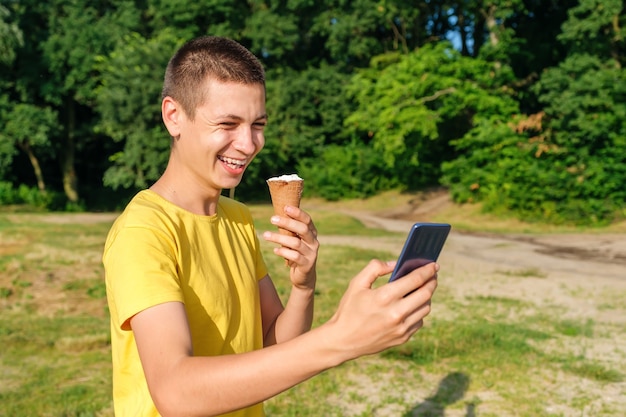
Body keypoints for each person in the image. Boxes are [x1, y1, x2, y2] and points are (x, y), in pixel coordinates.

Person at [102, 36, 439, 417]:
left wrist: (303, 285)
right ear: (173, 116)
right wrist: (341, 338)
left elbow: (275, 344)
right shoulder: (144, 232)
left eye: (257, 125)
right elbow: (175, 393)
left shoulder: (238, 218)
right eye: (227, 124)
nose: (248, 144)